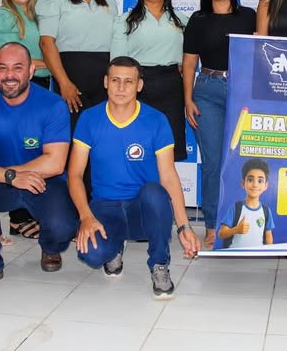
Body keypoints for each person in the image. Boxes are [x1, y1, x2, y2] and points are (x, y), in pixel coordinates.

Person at [70, 57, 200, 299]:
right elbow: (75, 174)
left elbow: (169, 176)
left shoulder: (156, 120)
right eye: (115, 81)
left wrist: (185, 227)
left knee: (155, 193)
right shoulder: (89, 118)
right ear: (105, 82)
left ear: (139, 85)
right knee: (92, 254)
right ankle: (113, 248)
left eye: (128, 82)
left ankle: (159, 264)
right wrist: (86, 217)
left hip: (142, 208)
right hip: (105, 206)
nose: (121, 88)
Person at [0, 43, 79, 291]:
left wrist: (19, 174)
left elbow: (55, 162)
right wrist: (10, 176)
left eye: (17, 68)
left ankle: (50, 246)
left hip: (44, 181)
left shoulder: (53, 105)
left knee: (64, 226)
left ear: (32, 71)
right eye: (2, 68)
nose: (9, 75)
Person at [182, 0, 257, 248]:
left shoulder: (249, 16)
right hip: (208, 91)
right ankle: (213, 225)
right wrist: (188, 99)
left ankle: (248, 223)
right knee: (212, 163)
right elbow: (189, 63)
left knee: (244, 161)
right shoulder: (198, 19)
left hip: (243, 92)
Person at [0, 0, 50, 240]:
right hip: (17, 89)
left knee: (34, 149)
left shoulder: (37, 15)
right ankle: (17, 216)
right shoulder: (5, 16)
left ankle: (31, 208)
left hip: (40, 87)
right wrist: (56, 65)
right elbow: (14, 59)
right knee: (17, 150)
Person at [111, 0, 188, 161]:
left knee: (168, 150)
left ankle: (162, 192)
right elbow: (118, 62)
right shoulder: (125, 20)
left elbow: (192, 53)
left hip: (171, 87)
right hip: (138, 87)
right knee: (136, 149)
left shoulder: (181, 20)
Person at [37, 0, 118, 123]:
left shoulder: (109, 2)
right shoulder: (54, 0)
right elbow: (46, 43)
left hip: (104, 80)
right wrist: (64, 83)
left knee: (101, 134)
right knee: (73, 136)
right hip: (70, 77)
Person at [218, 159, 275, 249]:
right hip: (235, 256)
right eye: (250, 180)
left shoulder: (266, 211)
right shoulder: (236, 208)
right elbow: (221, 234)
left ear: (266, 186)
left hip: (257, 257)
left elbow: (268, 235)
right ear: (243, 183)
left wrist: (271, 252)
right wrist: (236, 229)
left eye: (260, 181)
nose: (255, 185)